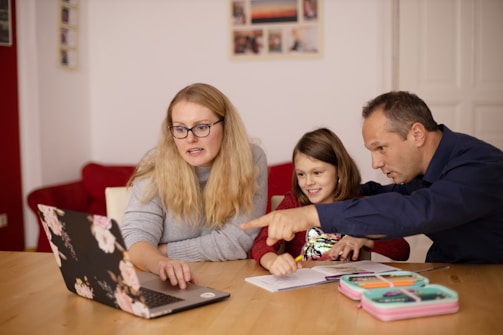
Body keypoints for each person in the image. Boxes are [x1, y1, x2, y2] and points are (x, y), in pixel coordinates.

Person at [242, 91, 503, 264]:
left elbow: (417, 210)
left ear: (417, 134)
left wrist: (312, 214)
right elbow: (386, 194)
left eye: (381, 148)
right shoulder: (419, 174)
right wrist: (335, 192)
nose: (375, 163)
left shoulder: (480, 166)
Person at [121, 83, 268, 288]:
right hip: (167, 283)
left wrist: (163, 250)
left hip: (231, 283)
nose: (190, 138)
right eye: (180, 128)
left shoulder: (251, 159)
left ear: (226, 126)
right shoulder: (155, 165)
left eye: (201, 127)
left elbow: (238, 242)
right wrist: (160, 262)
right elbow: (135, 240)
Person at [250, 128, 410, 275]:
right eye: (301, 174)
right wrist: (273, 261)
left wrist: (366, 237)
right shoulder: (293, 203)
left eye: (317, 173)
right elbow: (261, 244)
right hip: (302, 293)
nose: (308, 182)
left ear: (339, 170)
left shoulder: (358, 206)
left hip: (346, 290)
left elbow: (402, 250)